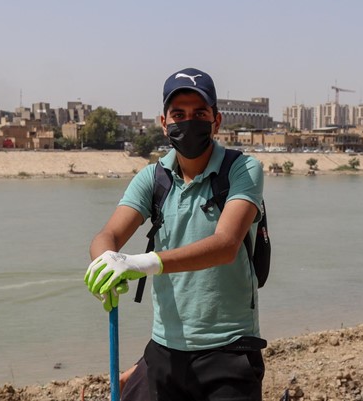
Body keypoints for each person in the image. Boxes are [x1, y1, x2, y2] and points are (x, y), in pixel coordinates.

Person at [85, 67, 266, 401]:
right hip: (165, 350)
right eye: (178, 114)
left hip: (229, 351)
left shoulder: (242, 170)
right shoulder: (153, 178)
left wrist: (141, 263)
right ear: (164, 123)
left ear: (217, 121)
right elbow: (108, 233)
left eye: (199, 113)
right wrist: (106, 261)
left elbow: (225, 246)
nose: (189, 121)